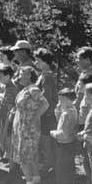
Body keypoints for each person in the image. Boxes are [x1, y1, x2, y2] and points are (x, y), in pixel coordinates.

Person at [10, 66, 49, 184]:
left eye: (22, 74)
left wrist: (34, 118)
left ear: (29, 76)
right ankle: (36, 179)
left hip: (28, 128)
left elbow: (45, 104)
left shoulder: (33, 89)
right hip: (22, 126)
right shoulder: (25, 89)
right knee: (30, 154)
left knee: (24, 156)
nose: (19, 76)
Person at [50, 88, 78, 184]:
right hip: (71, 143)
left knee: (62, 168)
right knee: (70, 166)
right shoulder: (73, 110)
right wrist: (57, 112)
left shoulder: (66, 114)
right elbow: (62, 123)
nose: (59, 102)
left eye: (61, 99)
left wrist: (53, 133)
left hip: (64, 144)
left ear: (66, 100)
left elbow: (63, 133)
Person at [35, 48, 58, 176]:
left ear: (45, 62)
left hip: (47, 115)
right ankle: (51, 167)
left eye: (38, 60)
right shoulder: (44, 75)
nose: (36, 63)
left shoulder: (47, 77)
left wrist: (37, 113)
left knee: (46, 142)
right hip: (46, 114)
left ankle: (48, 167)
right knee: (46, 142)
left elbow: (46, 98)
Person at [0, 65, 18, 163]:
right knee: (6, 136)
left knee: (8, 135)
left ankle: (11, 158)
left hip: (9, 116)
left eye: (1, 76)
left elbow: (11, 104)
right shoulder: (8, 86)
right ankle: (7, 155)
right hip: (5, 115)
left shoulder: (11, 87)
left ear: (8, 76)